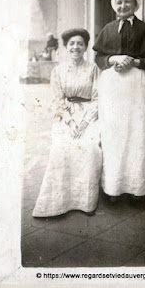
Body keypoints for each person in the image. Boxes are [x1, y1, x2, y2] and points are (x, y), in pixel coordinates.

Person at [93, 0, 145, 201]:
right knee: (115, 134)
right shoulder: (107, 29)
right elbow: (99, 58)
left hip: (140, 88)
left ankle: (139, 189)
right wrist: (113, 59)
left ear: (135, 5)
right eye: (119, 3)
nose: (123, 6)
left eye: (128, 2)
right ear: (114, 6)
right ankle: (114, 187)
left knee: (139, 133)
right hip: (114, 89)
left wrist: (134, 61)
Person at [32, 28, 102, 217]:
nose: (76, 47)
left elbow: (97, 98)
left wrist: (85, 123)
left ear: (85, 47)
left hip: (88, 116)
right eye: (72, 44)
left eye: (80, 44)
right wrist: (71, 123)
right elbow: (58, 100)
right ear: (66, 47)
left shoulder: (93, 69)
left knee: (90, 147)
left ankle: (85, 201)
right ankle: (59, 201)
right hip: (66, 116)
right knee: (61, 147)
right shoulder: (58, 71)